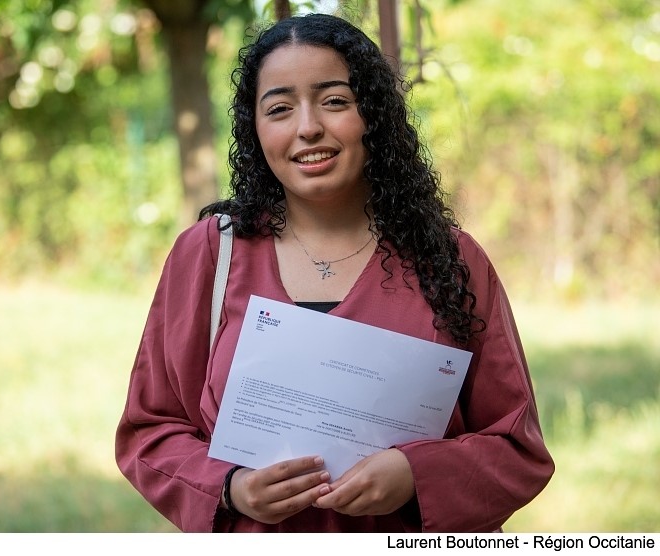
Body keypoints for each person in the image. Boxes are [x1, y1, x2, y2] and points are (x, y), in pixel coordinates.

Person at [115, 13, 554, 533]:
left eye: (334, 101)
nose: (307, 127)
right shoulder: (212, 253)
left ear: (373, 114)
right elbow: (149, 431)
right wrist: (230, 486)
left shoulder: (449, 258)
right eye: (279, 108)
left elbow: (516, 448)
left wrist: (417, 473)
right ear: (254, 129)